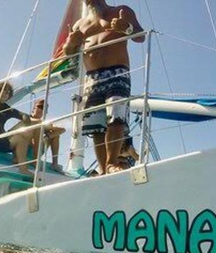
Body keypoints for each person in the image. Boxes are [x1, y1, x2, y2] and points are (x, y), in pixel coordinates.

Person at [63, 1, 144, 175]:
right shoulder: (79, 24)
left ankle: (111, 162)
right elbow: (68, 51)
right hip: (92, 78)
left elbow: (140, 36)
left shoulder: (121, 11)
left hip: (117, 72)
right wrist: (70, 43)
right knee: (96, 126)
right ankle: (103, 169)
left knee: (116, 118)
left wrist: (127, 28)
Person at [0, 81, 36, 175]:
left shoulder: (6, 108)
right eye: (3, 91)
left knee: (26, 131)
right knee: (20, 138)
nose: (5, 94)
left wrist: (25, 117)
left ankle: (20, 163)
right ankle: (21, 164)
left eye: (7, 93)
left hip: (1, 142)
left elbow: (21, 114)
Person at [29, 99, 66, 173]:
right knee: (40, 130)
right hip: (26, 149)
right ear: (34, 108)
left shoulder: (42, 123)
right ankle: (34, 160)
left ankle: (55, 164)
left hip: (37, 149)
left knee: (55, 135)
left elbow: (62, 130)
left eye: (44, 108)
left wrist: (48, 136)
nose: (41, 109)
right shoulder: (28, 119)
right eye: (39, 106)